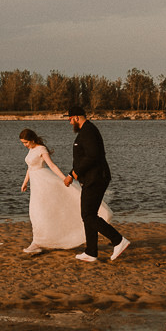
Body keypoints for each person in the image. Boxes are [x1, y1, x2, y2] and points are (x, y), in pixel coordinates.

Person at [19, 127, 113, 253]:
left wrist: (64, 178)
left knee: (42, 211)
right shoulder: (31, 150)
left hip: (44, 182)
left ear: (31, 139)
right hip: (35, 185)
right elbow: (30, 168)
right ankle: (37, 242)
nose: (24, 145)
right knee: (35, 212)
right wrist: (25, 182)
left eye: (25, 142)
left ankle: (38, 243)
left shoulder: (41, 149)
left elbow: (52, 165)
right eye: (23, 143)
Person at [64, 105, 129, 263]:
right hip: (92, 178)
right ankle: (91, 252)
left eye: (70, 119)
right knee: (88, 215)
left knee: (88, 215)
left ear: (77, 117)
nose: (69, 122)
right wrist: (74, 172)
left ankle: (118, 240)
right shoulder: (86, 131)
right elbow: (85, 156)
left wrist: (73, 173)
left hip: (97, 178)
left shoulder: (88, 131)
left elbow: (92, 156)